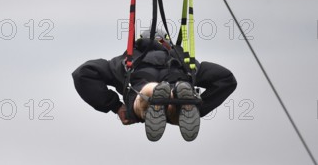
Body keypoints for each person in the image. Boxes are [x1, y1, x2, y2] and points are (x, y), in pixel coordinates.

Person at [72, 29, 237, 142]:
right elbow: (226, 79)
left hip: (139, 86)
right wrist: (201, 106)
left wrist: (115, 106)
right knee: (176, 107)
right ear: (167, 43)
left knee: (144, 98)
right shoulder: (185, 62)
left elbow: (83, 74)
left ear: (139, 42)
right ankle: (183, 100)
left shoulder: (124, 61)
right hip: (178, 77)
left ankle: (154, 92)